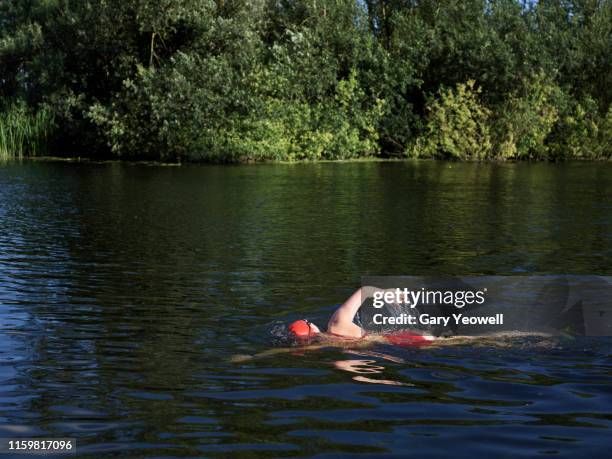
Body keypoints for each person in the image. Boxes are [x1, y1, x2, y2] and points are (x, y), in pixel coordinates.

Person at [288, 287, 435, 346]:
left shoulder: (327, 345)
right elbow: (364, 291)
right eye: (306, 321)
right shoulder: (337, 323)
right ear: (310, 327)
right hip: (401, 338)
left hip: (390, 346)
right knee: (445, 338)